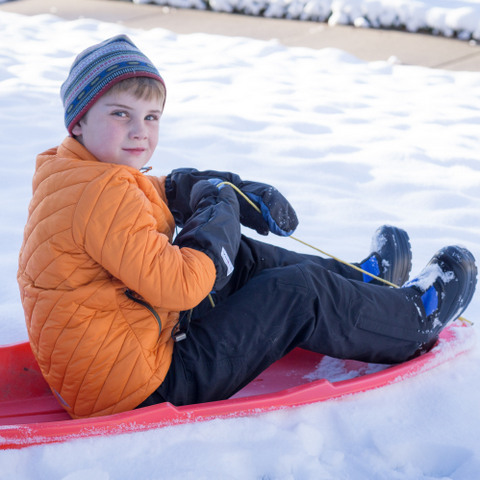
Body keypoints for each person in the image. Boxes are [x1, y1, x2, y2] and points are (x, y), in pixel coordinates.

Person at [17, 35, 477, 419]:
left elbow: (150, 194)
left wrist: (222, 189)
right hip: (140, 389)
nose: (140, 131)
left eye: (151, 117)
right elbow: (183, 286)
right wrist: (219, 215)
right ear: (78, 121)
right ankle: (413, 322)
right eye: (121, 114)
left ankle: (356, 287)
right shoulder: (100, 193)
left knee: (242, 257)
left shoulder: (74, 175)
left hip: (119, 359)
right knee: (297, 292)